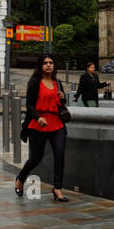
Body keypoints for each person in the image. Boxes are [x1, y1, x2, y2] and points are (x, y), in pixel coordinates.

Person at [15, 54, 71, 203]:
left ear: (54, 65)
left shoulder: (57, 82)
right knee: (35, 158)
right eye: (45, 63)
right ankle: (21, 178)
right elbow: (29, 106)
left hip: (57, 123)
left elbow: (61, 103)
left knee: (59, 155)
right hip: (38, 123)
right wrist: (38, 118)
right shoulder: (34, 82)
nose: (48, 65)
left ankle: (57, 188)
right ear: (40, 66)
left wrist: (63, 97)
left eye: (51, 62)